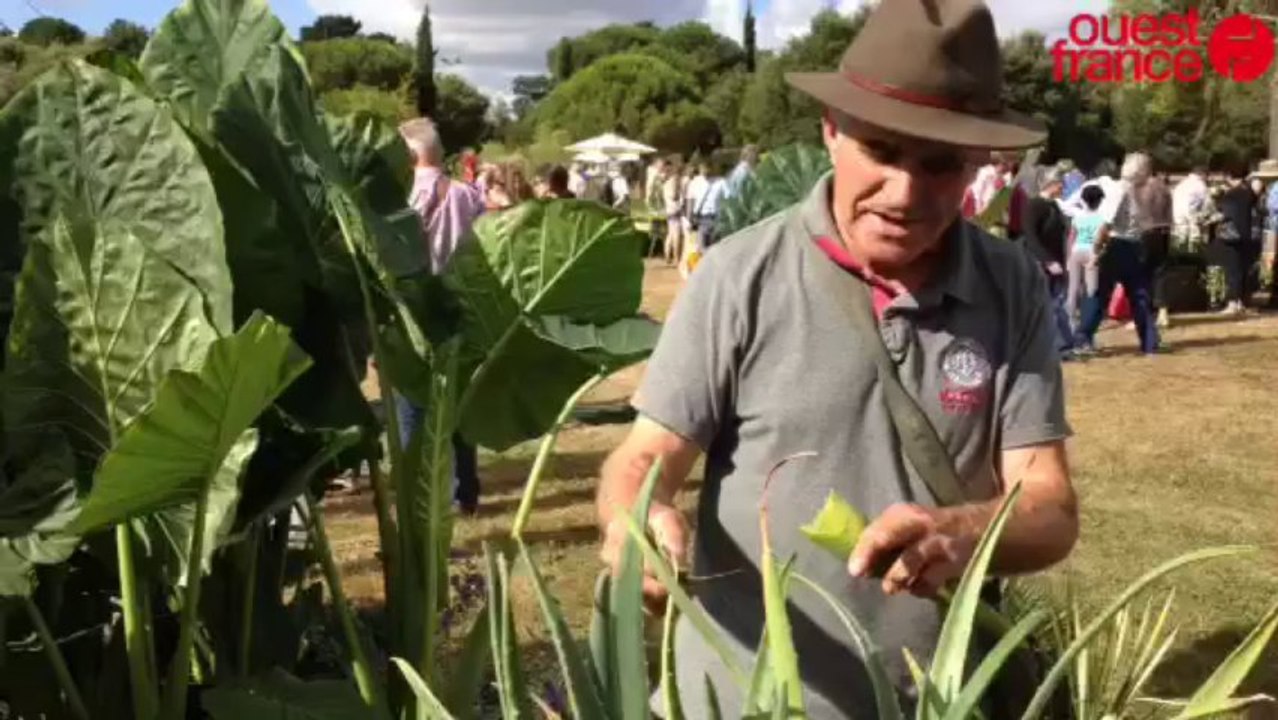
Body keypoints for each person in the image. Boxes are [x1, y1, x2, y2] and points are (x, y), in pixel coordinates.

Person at [595, 1, 1078, 716]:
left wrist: (960, 530)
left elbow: (1049, 507)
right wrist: (635, 520)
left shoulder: (1010, 287)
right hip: (738, 701)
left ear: (978, 162)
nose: (905, 192)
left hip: (932, 701)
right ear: (832, 132)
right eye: (881, 150)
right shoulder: (739, 276)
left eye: (939, 163)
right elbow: (642, 457)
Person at [398, 117, 485, 514]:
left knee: (414, 405)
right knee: (462, 401)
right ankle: (466, 490)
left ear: (410, 154)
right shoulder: (467, 194)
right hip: (462, 305)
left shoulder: (399, 197)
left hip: (415, 309)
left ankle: (424, 494)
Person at [1073, 153, 1162, 355]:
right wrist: (1096, 252)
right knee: (1108, 295)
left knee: (1133, 295)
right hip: (1120, 245)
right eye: (1147, 169)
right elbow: (1105, 224)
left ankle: (1149, 342)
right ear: (1140, 172)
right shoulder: (1121, 191)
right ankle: (1083, 338)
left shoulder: (1131, 191)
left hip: (1128, 245)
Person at [1021, 166, 1073, 357]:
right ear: (1052, 184)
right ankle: (1061, 346)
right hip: (1039, 263)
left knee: (1055, 304)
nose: (1063, 188)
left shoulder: (1054, 206)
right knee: (1051, 305)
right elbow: (1031, 236)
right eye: (1061, 184)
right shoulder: (1034, 206)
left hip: (1056, 263)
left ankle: (1062, 345)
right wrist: (1047, 260)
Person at [1132, 165, 1174, 328]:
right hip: (1163, 231)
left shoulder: (1138, 188)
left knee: (1141, 273)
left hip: (1144, 231)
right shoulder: (1164, 188)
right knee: (1160, 272)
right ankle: (1163, 312)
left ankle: (1144, 314)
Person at [1213, 168, 1256, 315]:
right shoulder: (1249, 193)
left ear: (1229, 177)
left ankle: (1232, 303)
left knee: (1232, 270)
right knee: (1243, 269)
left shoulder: (1230, 195)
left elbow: (1224, 214)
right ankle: (1241, 302)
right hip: (1247, 235)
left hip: (1232, 236)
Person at [1066, 185, 1106, 328]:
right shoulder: (1102, 218)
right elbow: (1102, 241)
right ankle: (1087, 323)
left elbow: (1072, 237)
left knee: (1073, 288)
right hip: (1091, 253)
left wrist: (1068, 258)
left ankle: (1070, 322)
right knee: (1091, 291)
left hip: (1077, 251)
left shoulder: (1078, 216)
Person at [1172, 165, 1210, 250]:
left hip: (1177, 211)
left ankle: (1179, 253)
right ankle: (1193, 253)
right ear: (1203, 174)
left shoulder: (1182, 183)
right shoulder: (1200, 185)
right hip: (1191, 211)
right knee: (1194, 235)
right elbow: (1207, 203)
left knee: (1181, 234)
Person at [662, 158, 685, 266]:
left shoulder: (665, 181)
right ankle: (676, 258)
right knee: (676, 235)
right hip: (675, 209)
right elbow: (675, 195)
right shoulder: (674, 180)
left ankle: (667, 255)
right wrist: (680, 191)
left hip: (668, 209)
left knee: (670, 234)